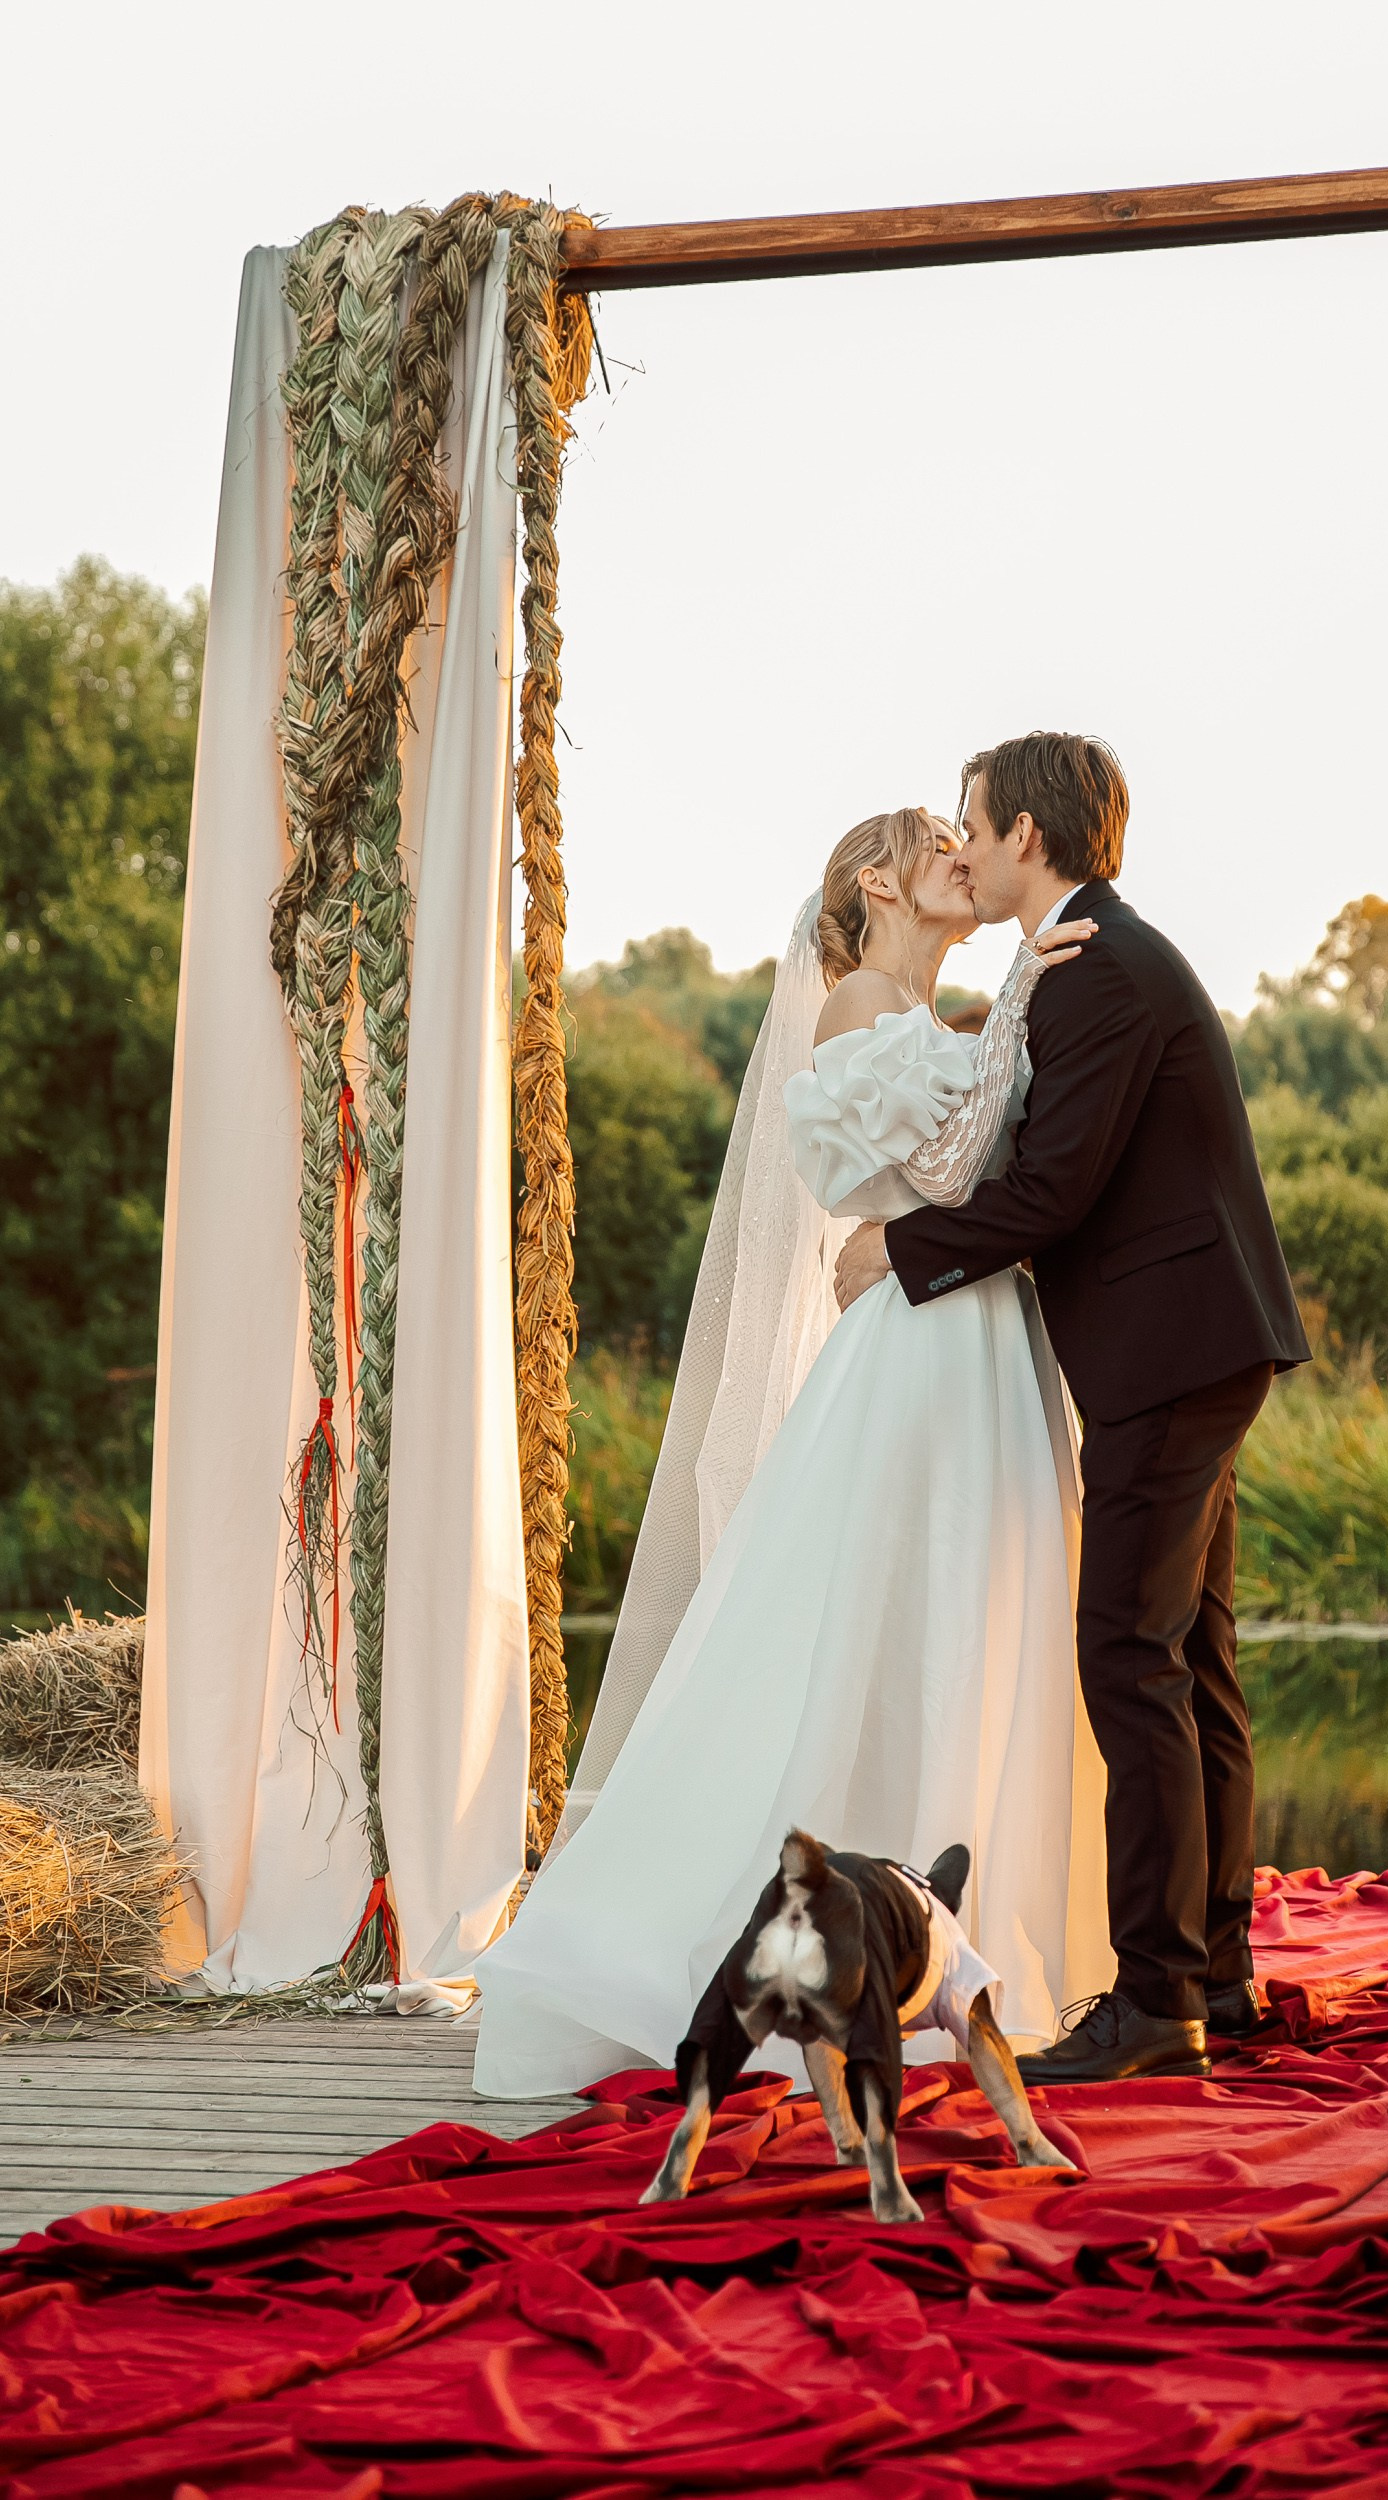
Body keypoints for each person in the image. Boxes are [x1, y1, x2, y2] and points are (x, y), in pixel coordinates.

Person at [473, 807, 1110, 2099]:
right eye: (937, 838)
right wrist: (1020, 1004)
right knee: (878, 1620)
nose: (962, 853)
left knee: (962, 1618)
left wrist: (1011, 1020)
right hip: (917, 1351)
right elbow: (946, 1170)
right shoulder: (859, 1001)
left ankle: (935, 1937)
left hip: (980, 1331)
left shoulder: (935, 1016)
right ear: (878, 879)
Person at [835, 733, 1310, 2086]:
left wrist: (899, 1253)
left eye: (974, 823)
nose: (964, 846)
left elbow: (1053, 1189)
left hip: (1169, 1351)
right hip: (1197, 1341)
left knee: (1132, 1657)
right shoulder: (1089, 956)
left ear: (1027, 837)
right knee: (1190, 1658)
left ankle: (1157, 2002)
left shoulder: (1099, 968)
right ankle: (1214, 1973)